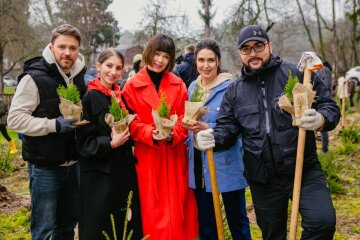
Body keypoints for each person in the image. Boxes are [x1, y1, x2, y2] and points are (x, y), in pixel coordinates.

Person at [196, 25, 340, 240]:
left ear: (269, 46)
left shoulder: (297, 75)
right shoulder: (235, 91)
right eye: (246, 49)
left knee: (322, 222)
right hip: (262, 178)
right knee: (273, 235)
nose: (253, 53)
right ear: (240, 54)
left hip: (302, 168)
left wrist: (320, 119)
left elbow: (329, 106)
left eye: (258, 46)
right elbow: (227, 130)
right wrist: (212, 137)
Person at [7, 24, 86, 239]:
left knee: (67, 226)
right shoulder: (33, 77)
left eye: (73, 47)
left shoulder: (80, 77)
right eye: (62, 46)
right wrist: (54, 125)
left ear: (79, 50)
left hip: (74, 165)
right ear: (51, 47)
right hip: (44, 167)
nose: (67, 52)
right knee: (44, 229)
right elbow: (14, 119)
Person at [122, 34, 198, 239]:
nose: (160, 60)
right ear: (148, 53)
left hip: (175, 157)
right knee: (152, 215)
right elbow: (129, 121)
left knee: (179, 213)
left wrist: (175, 133)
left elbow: (185, 118)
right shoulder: (131, 86)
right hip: (148, 159)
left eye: (166, 56)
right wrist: (150, 133)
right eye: (157, 54)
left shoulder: (178, 84)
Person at [183, 38, 251, 239]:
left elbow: (236, 126)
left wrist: (208, 128)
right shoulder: (192, 88)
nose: (206, 65)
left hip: (226, 162)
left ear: (218, 61)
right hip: (198, 164)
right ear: (195, 61)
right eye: (201, 60)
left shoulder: (231, 87)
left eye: (211, 60)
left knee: (237, 220)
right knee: (206, 224)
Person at [76, 48, 143, 239]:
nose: (113, 72)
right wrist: (110, 143)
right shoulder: (90, 98)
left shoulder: (119, 96)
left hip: (121, 171)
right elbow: (83, 142)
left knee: (122, 221)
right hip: (99, 176)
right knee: (100, 225)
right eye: (109, 66)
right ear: (98, 66)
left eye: (118, 68)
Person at [315, 60, 333, 153]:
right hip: (320, 100)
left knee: (322, 125)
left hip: (322, 101)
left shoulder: (324, 70)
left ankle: (324, 149)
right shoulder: (323, 70)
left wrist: (320, 98)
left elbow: (325, 86)